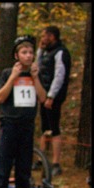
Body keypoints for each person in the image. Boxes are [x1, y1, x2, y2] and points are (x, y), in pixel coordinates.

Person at [0, 36, 46, 188]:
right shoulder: (7, 73)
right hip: (10, 123)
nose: (28, 56)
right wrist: (13, 77)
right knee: (4, 165)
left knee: (24, 167)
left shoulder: (35, 74)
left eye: (30, 52)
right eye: (24, 52)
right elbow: (1, 97)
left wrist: (35, 78)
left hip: (27, 125)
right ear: (16, 55)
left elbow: (43, 98)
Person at [36, 25, 71, 178]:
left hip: (53, 96)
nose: (42, 39)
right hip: (43, 95)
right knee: (45, 127)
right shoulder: (45, 52)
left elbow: (59, 75)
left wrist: (51, 96)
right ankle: (41, 158)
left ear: (52, 36)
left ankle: (56, 163)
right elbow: (37, 66)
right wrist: (39, 49)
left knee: (54, 128)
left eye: (44, 36)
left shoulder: (61, 52)